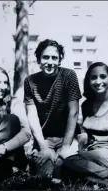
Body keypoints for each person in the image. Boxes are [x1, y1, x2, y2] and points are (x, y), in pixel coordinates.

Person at [62, 62, 108, 187]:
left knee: (70, 162)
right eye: (93, 77)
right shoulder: (86, 105)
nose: (98, 81)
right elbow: (90, 135)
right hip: (94, 154)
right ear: (88, 81)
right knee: (61, 169)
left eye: (103, 77)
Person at [24, 39, 82, 178]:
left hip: (67, 136)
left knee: (67, 170)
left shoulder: (69, 76)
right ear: (38, 59)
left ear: (59, 60)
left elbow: (73, 112)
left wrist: (65, 147)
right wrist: (43, 147)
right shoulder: (30, 81)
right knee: (45, 176)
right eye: (45, 57)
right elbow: (32, 116)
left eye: (54, 58)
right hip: (44, 138)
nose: (50, 62)